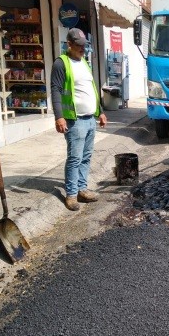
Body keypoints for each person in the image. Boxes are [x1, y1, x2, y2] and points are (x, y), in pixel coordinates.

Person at [50, 28, 107, 211]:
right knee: (75, 157)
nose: (83, 49)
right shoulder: (61, 63)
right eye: (79, 46)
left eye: (84, 46)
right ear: (69, 44)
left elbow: (91, 89)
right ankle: (72, 195)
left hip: (89, 118)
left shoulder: (84, 62)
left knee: (86, 156)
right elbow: (56, 90)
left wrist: (101, 111)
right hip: (74, 120)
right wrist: (59, 117)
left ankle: (82, 188)